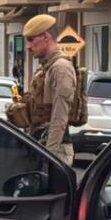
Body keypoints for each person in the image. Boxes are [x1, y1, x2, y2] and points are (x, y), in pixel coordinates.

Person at [24, 13, 76, 166]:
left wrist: (49, 158)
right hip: (42, 146)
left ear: (46, 36)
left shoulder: (61, 68)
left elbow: (59, 117)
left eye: (31, 40)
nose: (27, 46)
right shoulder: (48, 67)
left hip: (54, 150)